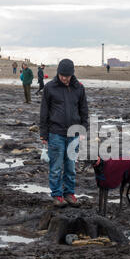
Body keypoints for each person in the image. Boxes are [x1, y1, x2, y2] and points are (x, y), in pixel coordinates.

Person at [40, 58, 88, 208]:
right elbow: (44, 112)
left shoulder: (79, 88)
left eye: (66, 76)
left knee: (70, 166)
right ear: (58, 73)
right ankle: (57, 195)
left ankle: (69, 193)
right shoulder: (49, 88)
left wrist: (83, 129)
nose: (64, 78)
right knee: (56, 167)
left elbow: (84, 111)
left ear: (72, 74)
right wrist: (43, 133)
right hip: (56, 133)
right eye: (61, 75)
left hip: (73, 134)